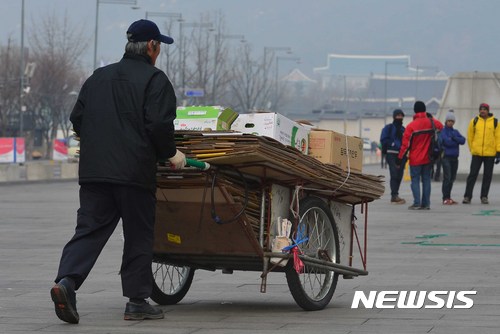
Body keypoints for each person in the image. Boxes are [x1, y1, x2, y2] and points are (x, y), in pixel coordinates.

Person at [50, 19, 186, 324]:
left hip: (95, 174)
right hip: (134, 174)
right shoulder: (155, 80)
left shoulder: (98, 77)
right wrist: (171, 154)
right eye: (159, 46)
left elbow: (78, 119)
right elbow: (158, 125)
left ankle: (66, 283)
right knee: (138, 234)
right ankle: (137, 301)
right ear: (151, 47)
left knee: (89, 230)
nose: (159, 51)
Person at [397, 101, 443, 210]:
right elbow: (441, 127)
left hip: (415, 158)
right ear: (425, 110)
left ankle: (417, 203)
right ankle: (426, 204)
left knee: (415, 180)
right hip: (428, 157)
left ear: (415, 110)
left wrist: (400, 158)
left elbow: (405, 144)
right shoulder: (431, 121)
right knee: (426, 180)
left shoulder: (411, 126)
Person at [462, 103, 500, 204]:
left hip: (490, 154)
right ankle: (467, 196)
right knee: (472, 175)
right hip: (477, 153)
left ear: (488, 111)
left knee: (487, 176)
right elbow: (470, 136)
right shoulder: (474, 121)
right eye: (481, 109)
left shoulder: (495, 122)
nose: (482, 111)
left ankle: (484, 196)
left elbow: (498, 137)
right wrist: (472, 148)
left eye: (484, 109)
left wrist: (498, 152)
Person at [380, 109, 407, 204]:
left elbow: (407, 141)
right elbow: (383, 139)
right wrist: (391, 144)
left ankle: (396, 194)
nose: (399, 117)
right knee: (394, 173)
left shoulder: (404, 129)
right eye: (397, 115)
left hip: (402, 155)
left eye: (401, 115)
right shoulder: (389, 128)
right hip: (391, 153)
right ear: (394, 116)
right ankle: (394, 195)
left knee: (399, 175)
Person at [439, 110, 466, 204]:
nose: (450, 122)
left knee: (452, 178)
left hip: (455, 158)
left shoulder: (455, 131)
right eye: (449, 121)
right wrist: (455, 140)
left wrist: (454, 138)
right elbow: (447, 142)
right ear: (446, 121)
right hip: (446, 157)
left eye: (452, 121)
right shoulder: (443, 131)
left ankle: (448, 197)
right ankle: (445, 198)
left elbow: (463, 140)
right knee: (447, 177)